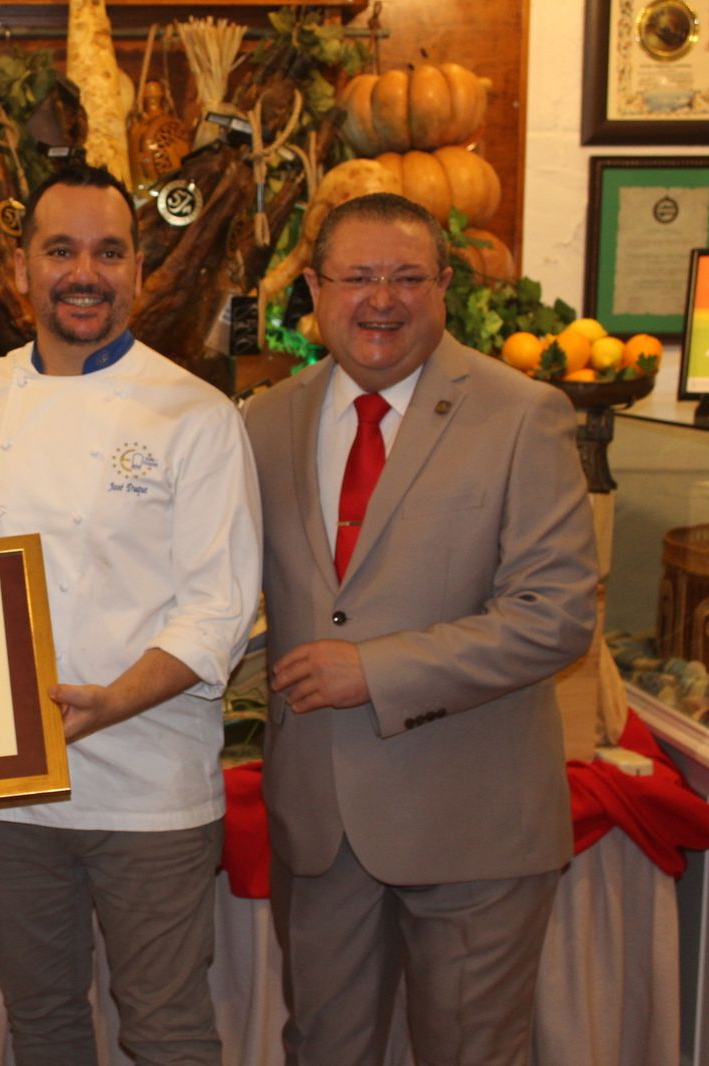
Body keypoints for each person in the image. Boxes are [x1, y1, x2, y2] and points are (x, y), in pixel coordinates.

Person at [0, 163, 262, 1066]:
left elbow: (221, 607)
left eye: (108, 252)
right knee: (44, 1025)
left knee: (167, 1032)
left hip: (152, 787)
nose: (83, 272)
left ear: (139, 272)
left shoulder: (196, 414)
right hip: (13, 788)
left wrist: (108, 704)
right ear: (21, 271)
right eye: (61, 251)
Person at [242, 192, 598, 1066]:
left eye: (407, 277)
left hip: (475, 821)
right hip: (320, 827)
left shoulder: (524, 414)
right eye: (357, 277)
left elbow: (557, 615)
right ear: (315, 293)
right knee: (320, 1049)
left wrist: (376, 670)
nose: (382, 299)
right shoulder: (263, 422)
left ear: (445, 286)